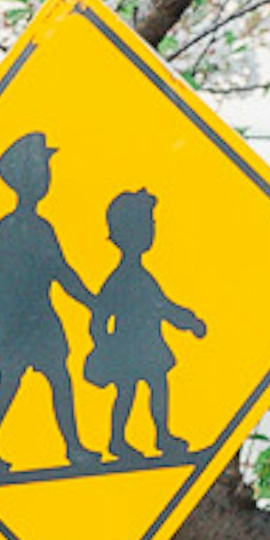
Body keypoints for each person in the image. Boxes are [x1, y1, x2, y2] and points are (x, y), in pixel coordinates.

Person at [0, 133, 92, 471]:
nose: (46, 179)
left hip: (40, 319)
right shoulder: (11, 229)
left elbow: (62, 273)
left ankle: (73, 447)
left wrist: (91, 302)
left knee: (58, 379)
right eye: (41, 172)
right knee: (11, 384)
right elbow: (57, 273)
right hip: (20, 323)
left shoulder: (38, 227)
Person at [84, 184, 206, 460]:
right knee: (128, 393)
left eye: (151, 224)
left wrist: (189, 322)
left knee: (157, 386)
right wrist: (105, 345)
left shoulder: (141, 276)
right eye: (146, 225)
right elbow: (100, 315)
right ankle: (118, 439)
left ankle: (161, 434)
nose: (151, 231)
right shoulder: (121, 278)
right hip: (129, 349)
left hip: (149, 346)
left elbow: (163, 307)